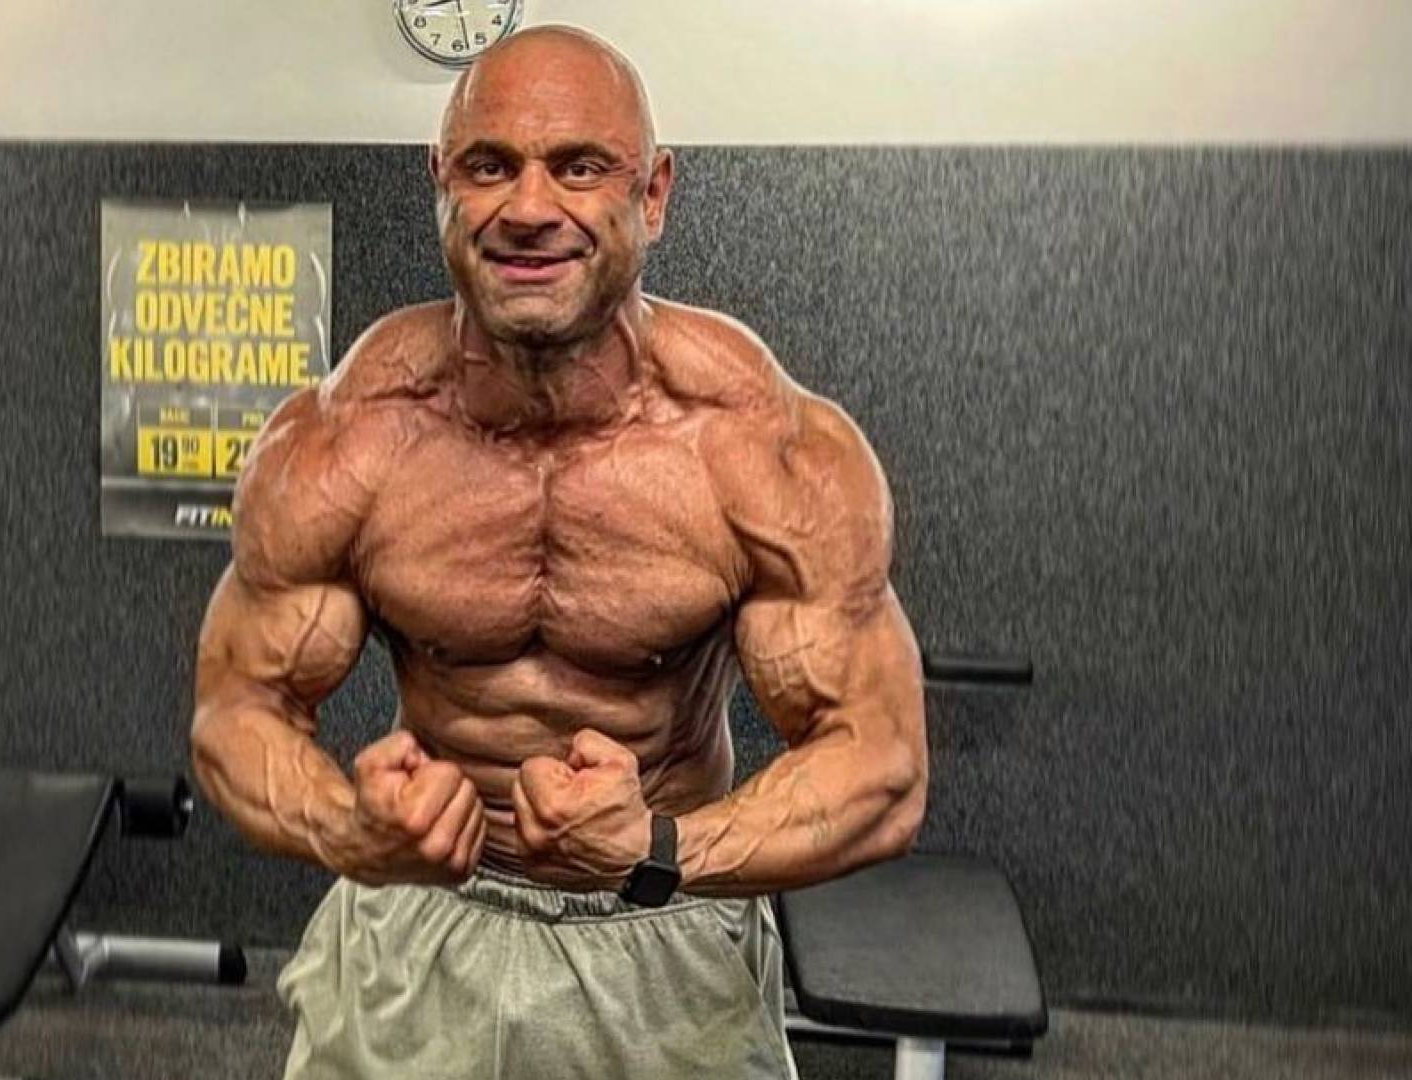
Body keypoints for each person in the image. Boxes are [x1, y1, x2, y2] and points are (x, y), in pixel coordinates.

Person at [190, 25, 927, 1080]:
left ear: (653, 193)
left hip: (658, 923)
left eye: (580, 167)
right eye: (489, 166)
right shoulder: (348, 439)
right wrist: (350, 828)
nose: (529, 207)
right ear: (440, 185)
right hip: (421, 925)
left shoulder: (760, 450)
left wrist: (661, 853)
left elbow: (883, 765)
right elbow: (236, 714)